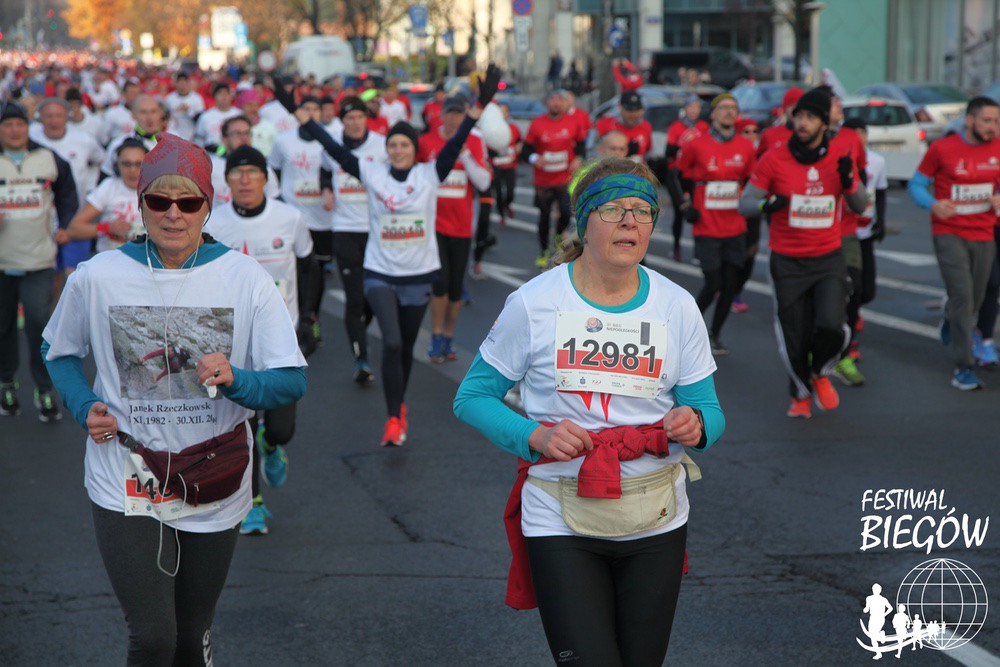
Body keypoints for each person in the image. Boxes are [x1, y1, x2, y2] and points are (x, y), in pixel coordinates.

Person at [42, 133, 307, 663]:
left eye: (188, 202)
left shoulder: (246, 278)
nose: (173, 214)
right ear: (140, 204)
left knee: (189, 635)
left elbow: (291, 380)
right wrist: (83, 404)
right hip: (126, 474)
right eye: (159, 200)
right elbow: (58, 351)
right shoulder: (98, 276)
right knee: (153, 636)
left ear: (208, 205)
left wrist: (238, 380)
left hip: (215, 473)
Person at [454, 156, 724, 666]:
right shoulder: (534, 303)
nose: (630, 222)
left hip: (655, 516)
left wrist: (696, 424)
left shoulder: (677, 305)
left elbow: (709, 410)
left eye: (642, 211)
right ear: (584, 221)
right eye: (614, 209)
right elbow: (472, 397)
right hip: (559, 513)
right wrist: (534, 436)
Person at [281, 65, 503, 446]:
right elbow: (331, 146)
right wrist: (297, 112)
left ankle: (399, 406)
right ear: (387, 150)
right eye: (393, 145)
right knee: (394, 343)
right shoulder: (372, 173)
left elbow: (458, 139)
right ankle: (392, 418)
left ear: (414, 150)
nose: (398, 150)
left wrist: (480, 105)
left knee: (405, 350)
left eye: (405, 145)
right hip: (380, 273)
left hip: (418, 275)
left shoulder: (429, 174)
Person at [738, 87, 867, 419]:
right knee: (794, 335)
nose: (803, 123)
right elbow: (746, 203)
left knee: (832, 326)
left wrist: (849, 181)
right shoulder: (774, 157)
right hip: (787, 261)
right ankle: (800, 395)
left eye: (810, 117)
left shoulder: (840, 154)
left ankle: (820, 371)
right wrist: (768, 205)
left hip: (828, 258)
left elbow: (860, 205)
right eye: (799, 116)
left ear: (824, 122)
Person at [209, 145, 317, 535]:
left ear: (266, 179)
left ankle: (273, 446)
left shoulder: (290, 217)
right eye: (236, 173)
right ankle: (252, 503)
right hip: (234, 340)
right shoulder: (213, 222)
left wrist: (310, 319)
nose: (244, 180)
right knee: (244, 425)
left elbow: (309, 267)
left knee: (281, 428)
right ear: (227, 181)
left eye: (252, 172)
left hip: (280, 337)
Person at [908, 96, 1000, 390]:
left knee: (974, 299)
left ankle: (951, 317)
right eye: (987, 121)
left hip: (984, 232)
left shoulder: (998, 148)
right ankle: (964, 367)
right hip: (949, 232)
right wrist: (933, 204)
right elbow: (916, 184)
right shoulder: (942, 149)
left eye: (997, 122)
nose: (993, 127)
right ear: (970, 121)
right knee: (963, 296)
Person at [0, 101, 79, 422]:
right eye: (7, 125)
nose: (14, 130)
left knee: (37, 324)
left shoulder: (48, 158)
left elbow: (68, 194)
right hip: (2, 262)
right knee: (3, 326)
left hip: (39, 259)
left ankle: (44, 389)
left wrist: (66, 226)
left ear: (27, 126)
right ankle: (7, 383)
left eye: (19, 123)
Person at [671, 93, 756, 355]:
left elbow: (753, 183)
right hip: (706, 226)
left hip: (735, 227)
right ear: (713, 113)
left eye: (734, 108)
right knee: (713, 282)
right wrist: (684, 205)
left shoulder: (746, 147)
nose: (730, 112)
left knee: (730, 285)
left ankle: (715, 334)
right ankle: (686, 330)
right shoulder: (697, 145)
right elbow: (675, 175)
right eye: (724, 107)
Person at [319, 96, 388, 383]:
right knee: (354, 296)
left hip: (376, 230)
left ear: (366, 119)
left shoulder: (382, 145)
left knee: (373, 296)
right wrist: (326, 190)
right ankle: (361, 359)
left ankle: (360, 329)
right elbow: (324, 170)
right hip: (345, 228)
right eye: (350, 118)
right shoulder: (333, 145)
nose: (355, 122)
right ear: (342, 121)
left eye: (360, 117)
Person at [418, 96, 492, 362]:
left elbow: (484, 183)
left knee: (455, 287)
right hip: (433, 225)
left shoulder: (474, 142)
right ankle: (436, 335)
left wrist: (466, 156)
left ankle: (449, 336)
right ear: (441, 115)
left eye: (458, 114)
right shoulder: (426, 141)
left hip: (461, 225)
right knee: (439, 284)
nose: (453, 119)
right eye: (449, 113)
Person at [837, 117, 888, 374]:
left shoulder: (876, 161)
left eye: (863, 132)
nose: (859, 137)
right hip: (843, 233)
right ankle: (848, 342)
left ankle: (851, 318)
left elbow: (880, 191)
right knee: (850, 291)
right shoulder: (837, 159)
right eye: (854, 132)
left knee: (866, 291)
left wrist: (882, 220)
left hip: (864, 233)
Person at [522, 89, 585, 268]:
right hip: (544, 181)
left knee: (565, 213)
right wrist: (535, 158)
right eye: (552, 99)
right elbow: (525, 150)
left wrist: (579, 158)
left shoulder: (573, 122)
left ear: (564, 103)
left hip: (564, 179)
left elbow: (581, 145)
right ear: (546, 103)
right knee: (544, 217)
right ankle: (543, 252)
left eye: (560, 100)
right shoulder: (537, 124)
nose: (556, 103)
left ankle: (558, 237)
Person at [60, 139, 147, 253]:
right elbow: (73, 229)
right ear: (116, 165)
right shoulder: (109, 187)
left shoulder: (156, 188)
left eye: (138, 164)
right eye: (126, 164)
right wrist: (108, 228)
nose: (132, 170)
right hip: (111, 258)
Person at [665, 94, 708, 261]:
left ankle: (698, 251)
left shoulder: (703, 126)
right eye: (691, 107)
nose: (694, 110)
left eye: (697, 107)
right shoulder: (676, 127)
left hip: (696, 175)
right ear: (686, 108)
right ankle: (676, 247)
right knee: (680, 211)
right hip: (678, 175)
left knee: (698, 212)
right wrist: (682, 145)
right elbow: (668, 152)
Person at [209, 115, 280, 208]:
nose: (244, 138)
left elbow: (274, 202)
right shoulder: (211, 168)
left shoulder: (264, 167)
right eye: (237, 133)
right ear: (224, 139)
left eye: (247, 133)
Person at [731, 117, 762, 314]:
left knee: (751, 252)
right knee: (735, 253)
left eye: (754, 131)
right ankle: (730, 290)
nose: (751, 136)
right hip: (732, 210)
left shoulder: (761, 156)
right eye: (746, 132)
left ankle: (736, 289)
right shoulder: (733, 152)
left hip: (753, 209)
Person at [100, 94, 164, 178]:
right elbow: (105, 177)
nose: (149, 118)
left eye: (153, 111)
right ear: (133, 115)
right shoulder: (118, 144)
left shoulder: (172, 144)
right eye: (143, 112)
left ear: (160, 114)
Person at [595, 90, 653, 163]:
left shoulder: (646, 126)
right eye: (629, 110)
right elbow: (592, 151)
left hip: (636, 168)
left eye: (636, 110)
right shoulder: (605, 123)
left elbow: (649, 153)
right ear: (619, 107)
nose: (633, 114)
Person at [489, 101, 522, 227]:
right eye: (500, 111)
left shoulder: (513, 128)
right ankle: (502, 214)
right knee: (498, 192)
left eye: (504, 111)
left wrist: (519, 147)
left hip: (510, 166)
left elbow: (520, 141)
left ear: (508, 114)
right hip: (496, 166)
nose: (502, 114)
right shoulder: (491, 128)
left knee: (510, 191)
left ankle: (507, 205)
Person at [194, 83, 243, 148]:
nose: (224, 97)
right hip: (212, 152)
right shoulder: (205, 116)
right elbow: (199, 139)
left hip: (234, 152)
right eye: (220, 94)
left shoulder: (239, 115)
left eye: (226, 94)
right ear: (214, 97)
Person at [164, 72, 205, 142]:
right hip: (174, 135)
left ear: (188, 83)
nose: (182, 85)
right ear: (175, 83)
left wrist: (189, 110)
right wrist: (175, 111)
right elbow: (165, 117)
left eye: (184, 82)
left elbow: (201, 119)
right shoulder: (170, 98)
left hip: (192, 135)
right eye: (179, 83)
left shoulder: (197, 98)